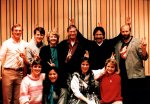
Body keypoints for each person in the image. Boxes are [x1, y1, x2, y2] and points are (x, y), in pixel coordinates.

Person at [115, 24, 149, 104]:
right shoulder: (118, 44)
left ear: (130, 31)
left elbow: (144, 57)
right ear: (120, 32)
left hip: (136, 76)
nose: (125, 33)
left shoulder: (137, 42)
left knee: (137, 99)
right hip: (123, 77)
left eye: (126, 31)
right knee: (126, 99)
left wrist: (144, 48)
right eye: (123, 31)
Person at [0, 24, 28, 104]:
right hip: (8, 72)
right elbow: (0, 58)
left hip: (20, 73)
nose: (18, 32)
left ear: (22, 32)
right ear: (12, 32)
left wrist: (24, 57)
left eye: (20, 30)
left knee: (18, 99)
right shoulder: (6, 43)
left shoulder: (25, 44)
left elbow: (28, 60)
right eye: (16, 30)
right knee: (7, 99)